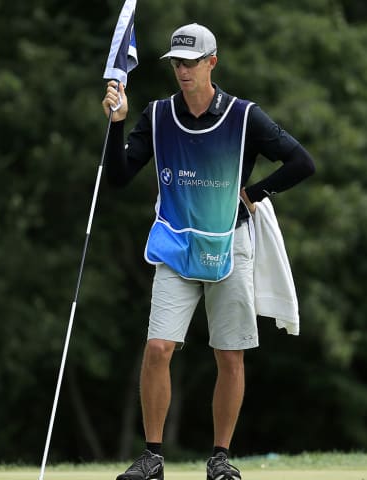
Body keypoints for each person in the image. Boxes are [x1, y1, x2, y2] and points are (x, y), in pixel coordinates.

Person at [101, 23, 315, 480]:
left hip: (228, 245)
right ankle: (152, 456)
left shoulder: (243, 116)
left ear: (211, 63)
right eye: (176, 63)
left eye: (191, 62)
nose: (182, 71)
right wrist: (116, 125)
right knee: (158, 348)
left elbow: (302, 162)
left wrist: (254, 192)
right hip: (176, 244)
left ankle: (219, 458)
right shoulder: (158, 116)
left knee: (229, 354)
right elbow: (118, 177)